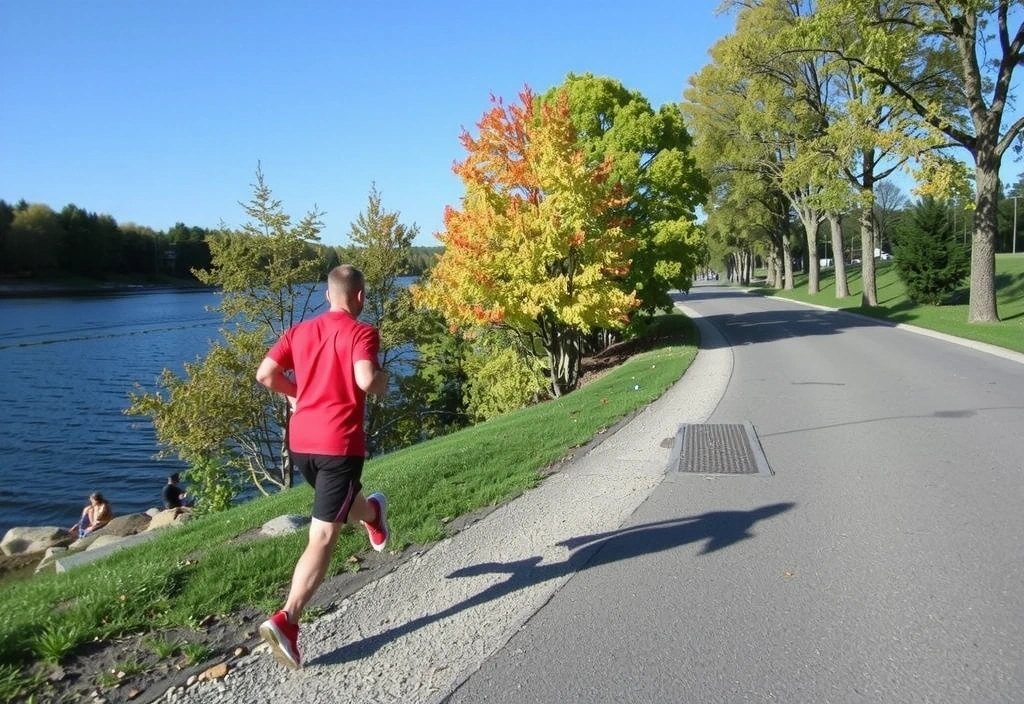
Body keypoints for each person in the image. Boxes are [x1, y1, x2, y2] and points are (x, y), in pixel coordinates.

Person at [254, 264, 390, 670]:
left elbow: (265, 375)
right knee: (324, 534)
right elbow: (366, 379)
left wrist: (298, 394)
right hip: (337, 445)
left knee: (338, 510)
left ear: (328, 295)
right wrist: (383, 380)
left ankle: (374, 514)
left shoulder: (298, 332)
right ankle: (288, 620)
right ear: (360, 298)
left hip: (302, 445)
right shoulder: (362, 332)